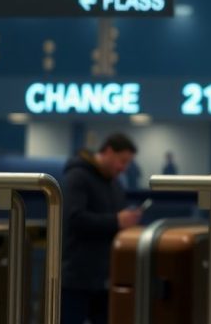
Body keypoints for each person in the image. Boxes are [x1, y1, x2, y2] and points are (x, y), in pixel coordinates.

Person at [62, 133, 142, 324]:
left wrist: (126, 223)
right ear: (108, 151)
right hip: (76, 278)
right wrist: (116, 221)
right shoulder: (77, 177)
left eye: (127, 163)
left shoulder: (114, 184)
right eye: (122, 161)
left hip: (105, 278)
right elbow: (75, 219)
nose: (123, 168)